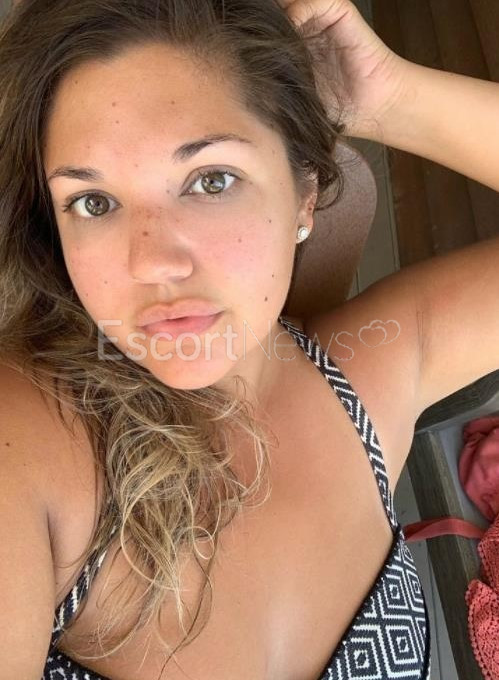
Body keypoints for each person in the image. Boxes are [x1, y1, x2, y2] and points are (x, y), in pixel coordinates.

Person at [0, 0, 498, 678]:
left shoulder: (374, 369)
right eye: (94, 202)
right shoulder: (26, 444)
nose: (151, 263)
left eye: (211, 180)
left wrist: (391, 98)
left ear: (303, 194)